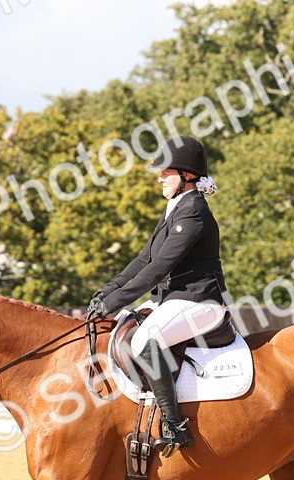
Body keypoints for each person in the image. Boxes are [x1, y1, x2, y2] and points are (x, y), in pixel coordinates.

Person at [87, 135, 227, 456]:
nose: (160, 177)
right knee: (125, 326)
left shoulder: (193, 212)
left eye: (167, 172)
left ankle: (176, 426)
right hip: (174, 299)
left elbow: (161, 266)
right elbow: (143, 259)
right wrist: (106, 292)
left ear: (187, 176)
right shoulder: (174, 208)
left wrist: (114, 301)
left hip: (199, 301)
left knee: (144, 341)